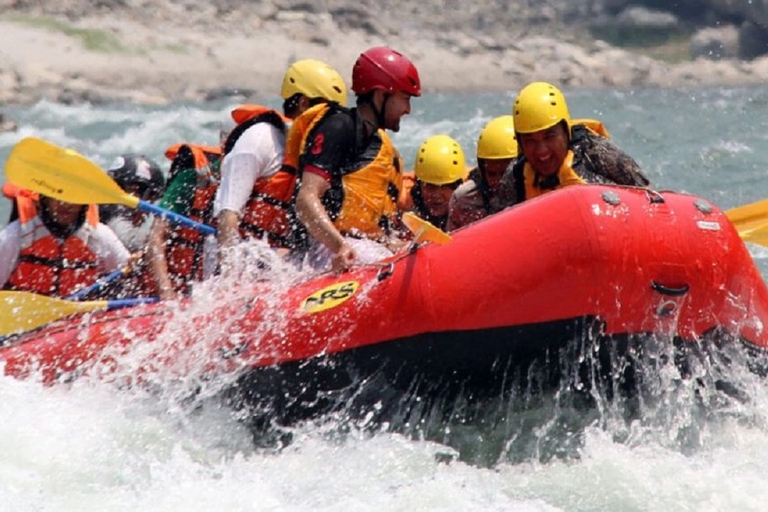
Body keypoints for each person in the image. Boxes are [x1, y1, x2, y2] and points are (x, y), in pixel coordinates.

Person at [295, 46, 420, 273]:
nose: (408, 109)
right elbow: (305, 200)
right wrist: (339, 246)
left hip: (356, 244)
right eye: (405, 99)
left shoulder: (374, 141)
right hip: (325, 248)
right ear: (381, 95)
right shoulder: (339, 127)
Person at [214, 59, 347, 255]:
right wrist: (229, 275)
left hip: (282, 259)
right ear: (303, 104)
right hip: (239, 256)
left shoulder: (316, 152)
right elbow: (228, 214)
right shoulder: (259, 139)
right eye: (327, 113)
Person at [498, 81, 649, 207]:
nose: (541, 151)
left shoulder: (597, 152)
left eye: (549, 136)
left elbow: (649, 196)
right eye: (530, 141)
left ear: (565, 132)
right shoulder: (515, 175)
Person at [0, 192, 129, 298]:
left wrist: (134, 263)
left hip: (77, 319)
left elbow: (128, 271)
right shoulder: (16, 235)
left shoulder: (98, 235)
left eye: (74, 197)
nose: (66, 204)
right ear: (45, 199)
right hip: (25, 318)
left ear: (84, 203)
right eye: (58, 194)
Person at [146, 141, 223, 300]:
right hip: (177, 288)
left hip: (214, 290)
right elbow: (156, 237)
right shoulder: (190, 179)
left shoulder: (262, 180)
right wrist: (166, 290)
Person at [448, 115, 518, 230]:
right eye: (491, 174)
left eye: (505, 173)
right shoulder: (465, 199)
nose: (499, 181)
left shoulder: (536, 187)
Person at [101, 153, 166, 253]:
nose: (151, 205)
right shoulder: (112, 211)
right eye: (151, 197)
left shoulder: (104, 203)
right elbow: (131, 244)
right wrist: (162, 228)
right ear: (133, 190)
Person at [401, 134, 467, 231]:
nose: (436, 195)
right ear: (419, 186)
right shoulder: (404, 201)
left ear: (457, 186)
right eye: (430, 186)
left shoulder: (471, 197)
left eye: (444, 186)